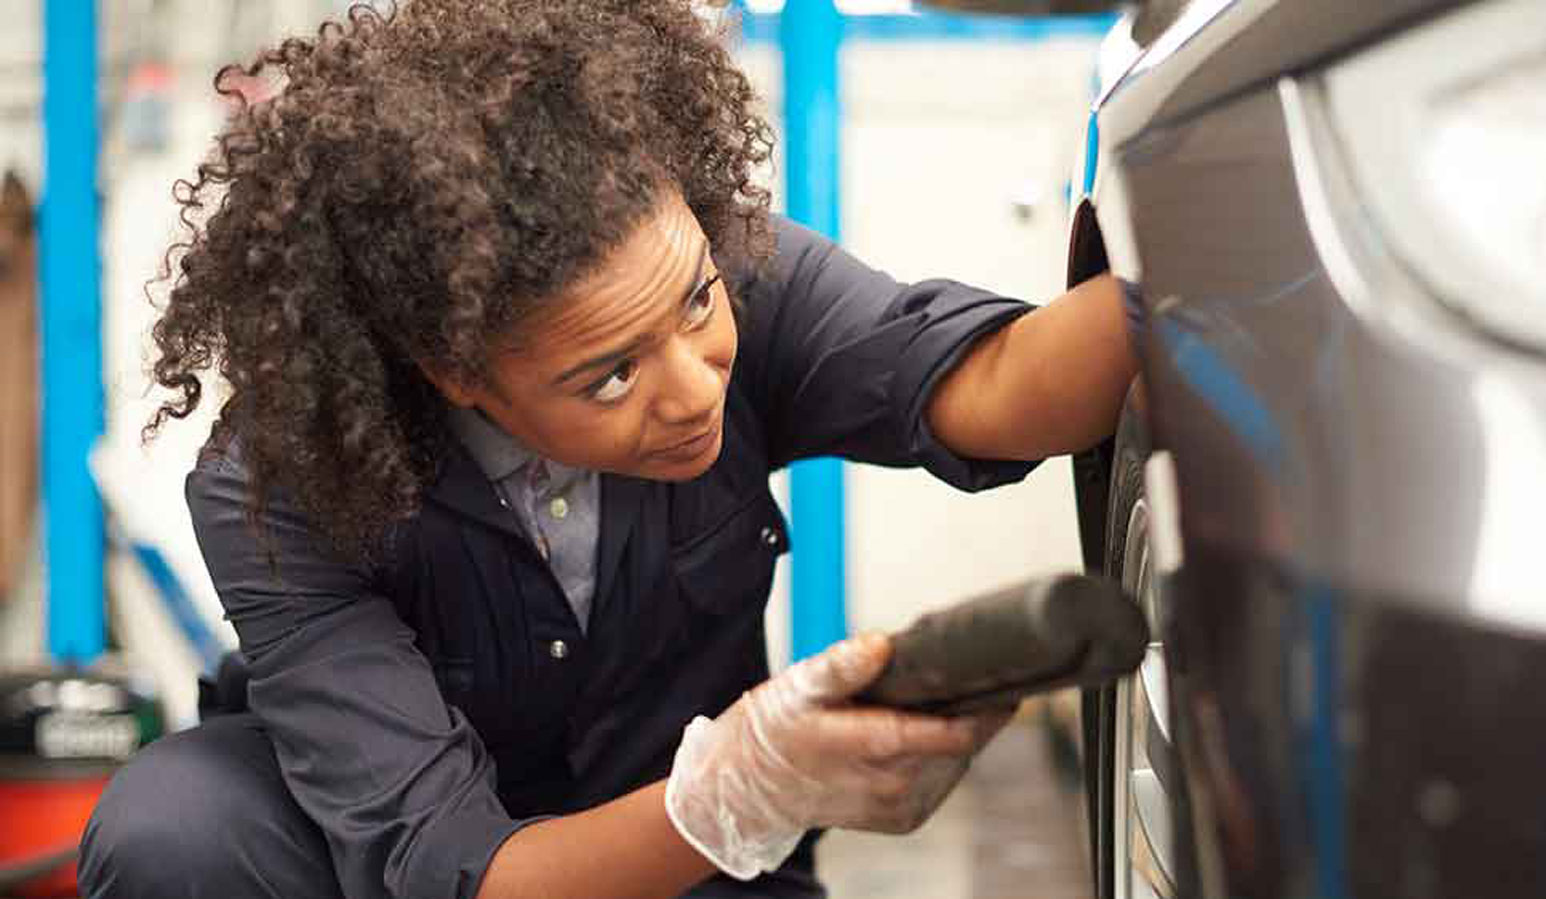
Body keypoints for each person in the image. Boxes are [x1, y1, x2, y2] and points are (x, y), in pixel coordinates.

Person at [79, 2, 1139, 897]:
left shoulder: (729, 270)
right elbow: (460, 867)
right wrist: (735, 791)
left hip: (692, 874)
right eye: (610, 376)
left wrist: (1195, 270)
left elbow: (996, 383)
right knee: (176, 824)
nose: (693, 388)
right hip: (455, 869)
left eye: (695, 303)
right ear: (454, 369)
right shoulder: (284, 482)